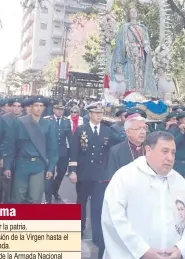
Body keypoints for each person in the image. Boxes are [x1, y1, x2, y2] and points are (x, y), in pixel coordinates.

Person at [101, 131, 185, 259]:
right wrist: (142, 251)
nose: (170, 158)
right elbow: (113, 218)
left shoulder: (178, 181)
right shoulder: (125, 177)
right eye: (165, 151)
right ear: (148, 150)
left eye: (173, 152)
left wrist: (181, 249)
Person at [68, 103, 113, 258]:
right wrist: (72, 171)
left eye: (101, 113)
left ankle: (97, 234)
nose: (99, 115)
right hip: (84, 173)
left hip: (100, 175)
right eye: (96, 113)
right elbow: (73, 151)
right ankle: (78, 229)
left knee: (98, 206)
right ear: (89, 114)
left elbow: (112, 150)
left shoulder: (108, 130)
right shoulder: (81, 130)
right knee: (81, 202)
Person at [3, 96, 58, 204]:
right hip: (22, 163)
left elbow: (53, 149)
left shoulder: (48, 125)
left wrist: (51, 168)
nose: (38, 108)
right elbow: (10, 146)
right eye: (36, 105)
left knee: (35, 199)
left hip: (38, 165)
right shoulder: (19, 122)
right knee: (19, 198)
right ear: (31, 107)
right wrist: (7, 166)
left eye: (41, 106)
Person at [109, 2, 158, 97]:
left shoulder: (142, 28)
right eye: (131, 12)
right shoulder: (125, 28)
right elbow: (121, 43)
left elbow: (146, 41)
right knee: (131, 72)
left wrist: (146, 46)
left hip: (140, 54)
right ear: (129, 14)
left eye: (135, 11)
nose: (134, 13)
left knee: (141, 73)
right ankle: (130, 92)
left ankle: (142, 93)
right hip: (131, 54)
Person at [104, 114, 147, 180]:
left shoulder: (151, 148)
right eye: (138, 129)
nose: (143, 132)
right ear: (128, 132)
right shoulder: (116, 151)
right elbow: (112, 178)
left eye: (144, 128)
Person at [43, 104, 71, 203]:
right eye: (58, 109)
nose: (59, 111)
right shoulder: (47, 120)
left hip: (62, 152)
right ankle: (48, 197)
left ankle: (55, 190)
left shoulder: (66, 121)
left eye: (62, 110)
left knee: (62, 172)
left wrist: (71, 152)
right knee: (50, 173)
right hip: (50, 151)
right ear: (54, 109)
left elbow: (69, 138)